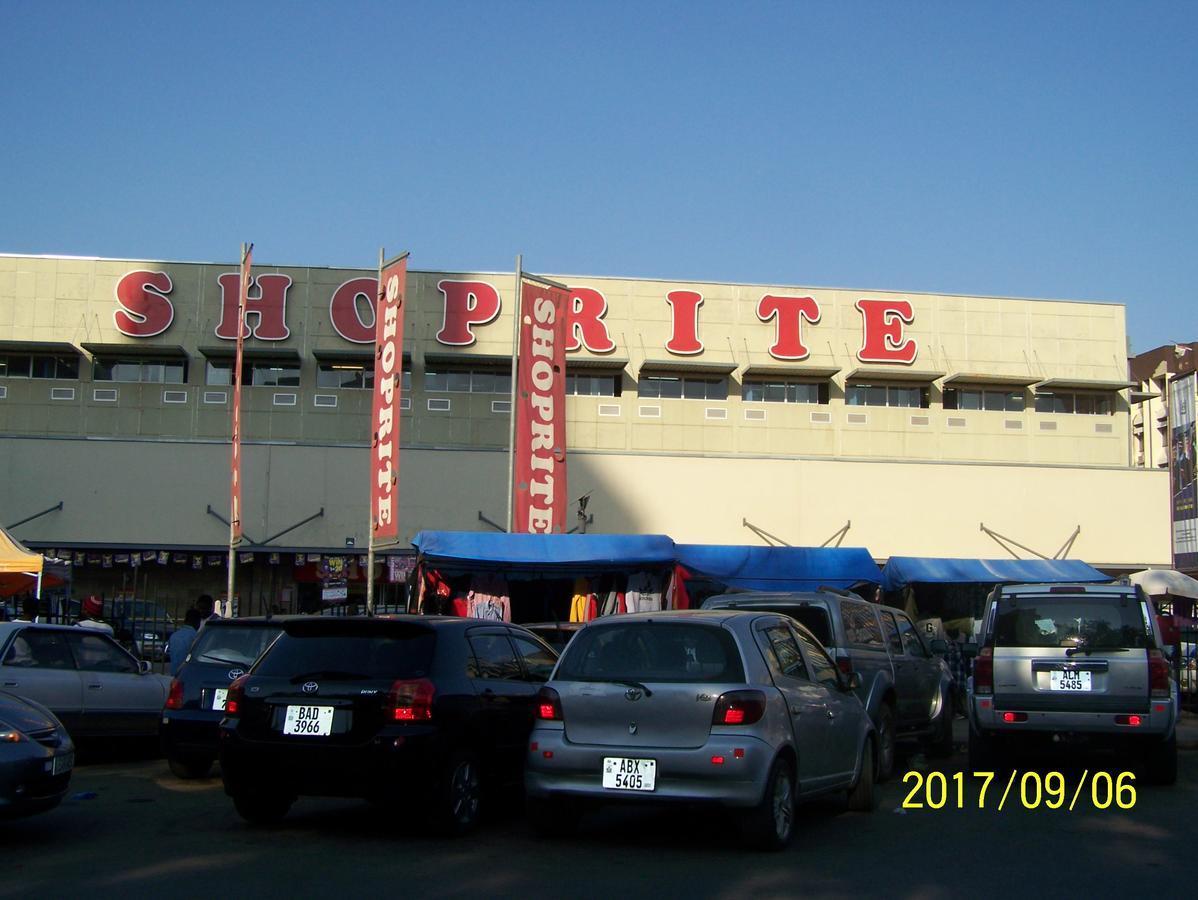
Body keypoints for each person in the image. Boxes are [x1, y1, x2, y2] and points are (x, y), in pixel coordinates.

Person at [167, 608, 202, 675]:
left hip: (174, 674)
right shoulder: (196, 637)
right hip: (188, 675)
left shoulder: (174, 636)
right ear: (197, 621)